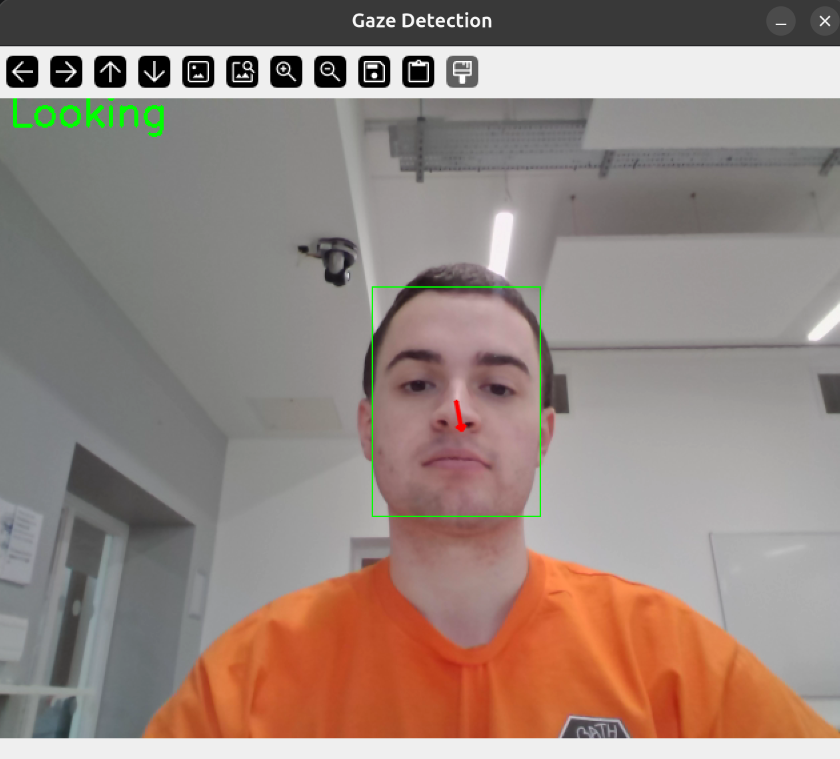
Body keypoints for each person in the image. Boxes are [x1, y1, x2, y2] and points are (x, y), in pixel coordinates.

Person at [143, 263, 839, 738]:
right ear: (367, 427)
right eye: (417, 384)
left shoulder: (673, 659)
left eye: (498, 387)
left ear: (543, 435)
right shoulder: (246, 681)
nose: (457, 413)